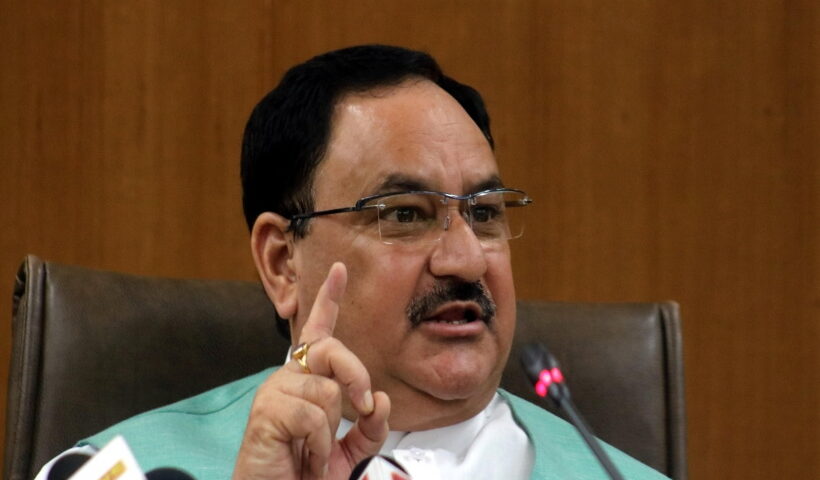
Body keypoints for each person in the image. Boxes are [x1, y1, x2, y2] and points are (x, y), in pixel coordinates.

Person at [36, 45, 669, 480]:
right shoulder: (115, 470)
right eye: (404, 214)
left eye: (484, 213)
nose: (465, 259)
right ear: (283, 263)